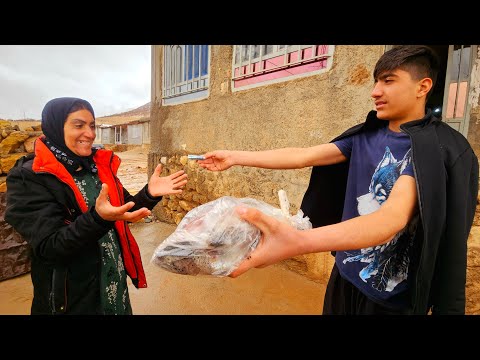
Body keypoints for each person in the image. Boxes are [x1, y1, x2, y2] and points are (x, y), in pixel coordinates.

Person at [198, 45, 479, 315]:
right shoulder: (364, 137)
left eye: (389, 81)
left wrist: (299, 241)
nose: (375, 91)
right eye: (376, 81)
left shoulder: (434, 150)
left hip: (390, 296)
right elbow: (303, 156)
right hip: (345, 276)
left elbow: (391, 218)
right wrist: (235, 157)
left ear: (422, 87)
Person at [5, 97, 188, 315]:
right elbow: (50, 246)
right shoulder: (30, 176)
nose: (90, 133)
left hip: (112, 288)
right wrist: (99, 219)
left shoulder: (96, 168)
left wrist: (149, 193)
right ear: (55, 126)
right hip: (73, 301)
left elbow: (123, 210)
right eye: (78, 125)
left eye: (92, 125)